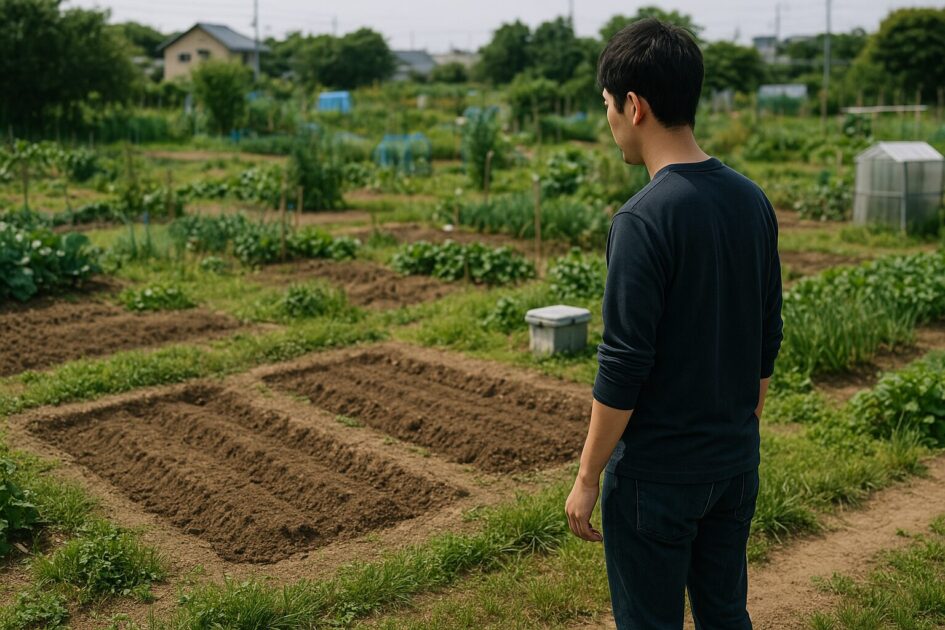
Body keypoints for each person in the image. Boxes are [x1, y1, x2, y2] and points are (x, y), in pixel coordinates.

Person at [564, 17, 784, 630]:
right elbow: (767, 335)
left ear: (634, 106)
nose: (608, 120)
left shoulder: (642, 219)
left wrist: (587, 478)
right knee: (724, 616)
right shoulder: (751, 199)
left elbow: (624, 363)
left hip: (655, 481)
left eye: (607, 105)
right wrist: (737, 431)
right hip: (734, 464)